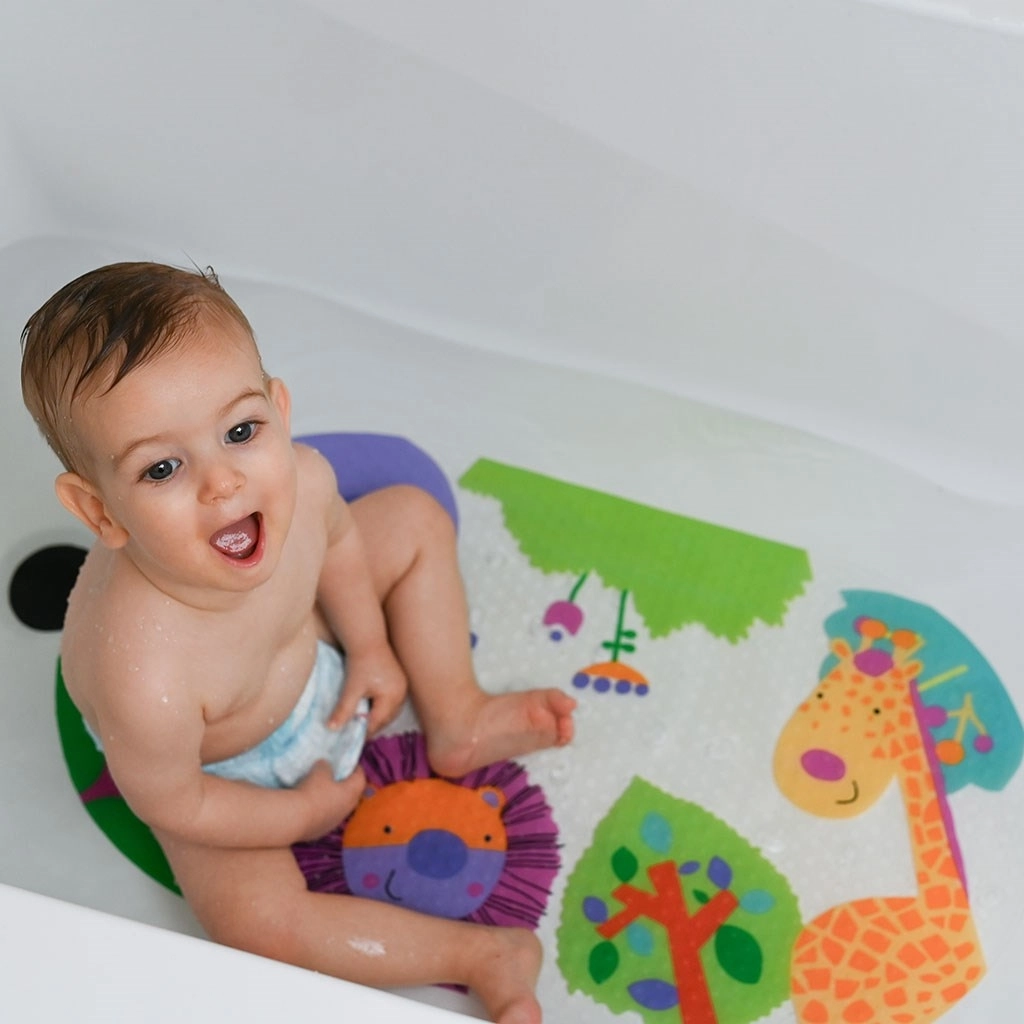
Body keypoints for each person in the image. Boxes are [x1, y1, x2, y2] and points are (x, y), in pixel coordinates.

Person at [20, 262, 576, 1024]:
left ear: (279, 411)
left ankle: (458, 715)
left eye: (241, 431)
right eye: (163, 468)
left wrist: (370, 645)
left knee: (413, 519)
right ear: (99, 511)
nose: (223, 483)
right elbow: (177, 803)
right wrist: (296, 816)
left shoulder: (304, 482)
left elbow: (338, 547)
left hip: (303, 644)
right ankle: (481, 955)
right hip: (221, 771)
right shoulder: (143, 673)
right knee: (257, 928)